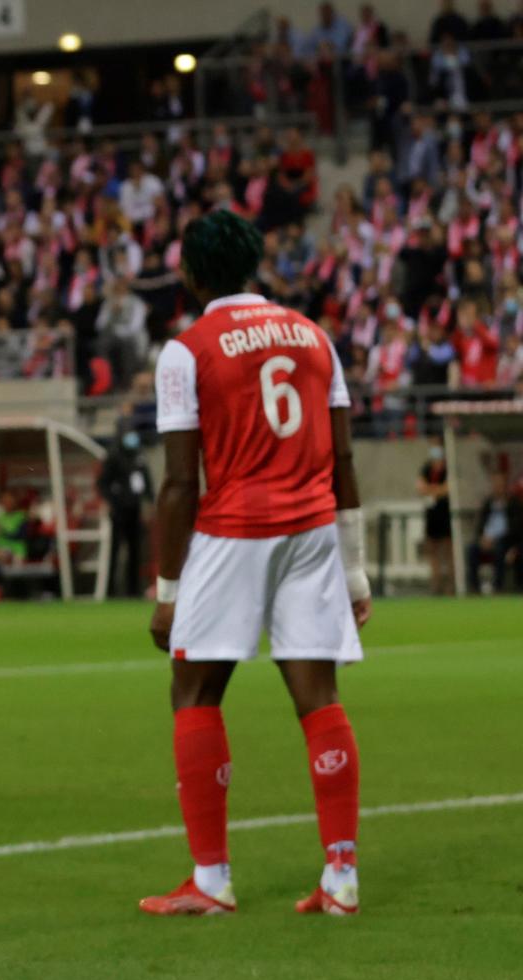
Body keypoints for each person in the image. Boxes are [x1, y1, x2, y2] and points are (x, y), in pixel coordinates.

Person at [144, 209, 370, 918]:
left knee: (194, 691)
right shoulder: (314, 337)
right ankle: (341, 878)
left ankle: (211, 879)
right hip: (313, 530)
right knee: (319, 698)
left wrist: (168, 587)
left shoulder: (187, 349)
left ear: (188, 272)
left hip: (235, 530)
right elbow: (345, 459)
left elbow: (181, 481)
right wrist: (356, 570)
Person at [99, 430, 153, 598]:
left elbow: (147, 483)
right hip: (118, 511)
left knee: (135, 551)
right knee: (114, 551)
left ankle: (133, 590)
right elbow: (103, 483)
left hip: (134, 510)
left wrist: (149, 502)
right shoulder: (114, 456)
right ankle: (110, 590)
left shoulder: (139, 457)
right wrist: (112, 500)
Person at [466, 477, 522, 592]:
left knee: (500, 549)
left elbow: (516, 529)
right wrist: (482, 538)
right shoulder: (488, 503)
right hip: (486, 540)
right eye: (496, 486)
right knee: (471, 549)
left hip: (504, 540)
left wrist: (496, 539)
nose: (498, 489)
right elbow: (480, 524)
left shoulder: (514, 504)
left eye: (501, 486)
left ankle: (498, 587)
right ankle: (474, 587)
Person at [417, 446, 453, 594]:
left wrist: (432, 490)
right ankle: (436, 586)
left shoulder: (447, 471)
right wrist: (437, 490)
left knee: (448, 554)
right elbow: (420, 487)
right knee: (433, 553)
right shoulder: (426, 470)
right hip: (431, 517)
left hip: (445, 517)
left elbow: (448, 489)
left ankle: (451, 586)